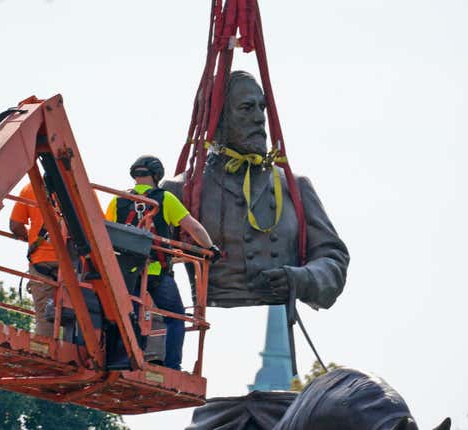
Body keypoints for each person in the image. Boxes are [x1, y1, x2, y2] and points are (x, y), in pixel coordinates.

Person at [162, 70, 349, 309]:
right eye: (247, 108)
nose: (260, 118)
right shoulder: (179, 190)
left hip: (279, 326)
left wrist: (300, 279)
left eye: (262, 108)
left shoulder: (295, 187)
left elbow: (333, 258)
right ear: (216, 119)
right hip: (208, 327)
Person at [105, 155, 219, 370]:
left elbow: (104, 232)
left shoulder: (117, 200)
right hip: (156, 272)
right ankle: (171, 365)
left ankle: (119, 359)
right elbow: (192, 227)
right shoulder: (164, 199)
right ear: (157, 175)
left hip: (125, 274)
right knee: (175, 316)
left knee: (125, 313)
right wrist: (210, 247)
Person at [9, 182, 59, 337]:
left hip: (42, 262)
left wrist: (31, 238)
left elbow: (15, 225)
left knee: (45, 316)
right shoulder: (81, 185)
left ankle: (46, 353)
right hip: (74, 261)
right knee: (81, 314)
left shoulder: (30, 188)